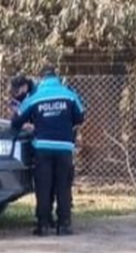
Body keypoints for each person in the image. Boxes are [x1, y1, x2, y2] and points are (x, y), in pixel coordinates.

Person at [11, 66, 86, 236]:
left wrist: (32, 123)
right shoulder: (68, 94)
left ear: (42, 79)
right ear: (56, 77)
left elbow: (16, 120)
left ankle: (43, 225)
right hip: (64, 147)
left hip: (42, 147)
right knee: (63, 186)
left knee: (43, 187)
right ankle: (64, 225)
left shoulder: (35, 97)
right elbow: (81, 116)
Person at [7, 74, 36, 170]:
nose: (14, 94)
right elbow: (14, 113)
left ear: (24, 87)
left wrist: (34, 125)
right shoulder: (16, 99)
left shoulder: (35, 94)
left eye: (16, 91)